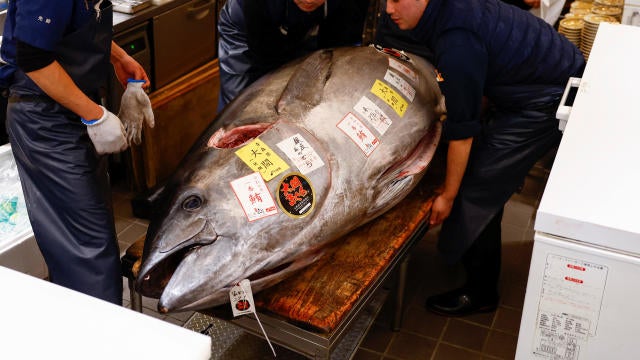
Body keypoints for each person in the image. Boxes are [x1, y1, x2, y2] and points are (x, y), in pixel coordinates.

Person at [376, 0, 585, 316]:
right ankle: (466, 248)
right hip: (544, 75)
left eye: (396, 0)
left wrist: (447, 195)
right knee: (476, 168)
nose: (388, 9)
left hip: (544, 100)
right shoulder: (447, 15)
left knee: (476, 188)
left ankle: (481, 291)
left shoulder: (456, 40)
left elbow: (463, 133)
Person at [0, 0, 151, 305]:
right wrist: (94, 115)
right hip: (43, 119)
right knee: (88, 252)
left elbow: (79, 22)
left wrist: (119, 57)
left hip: (70, 108)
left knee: (91, 238)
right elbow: (34, 58)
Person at [217, 0, 370, 109]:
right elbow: (266, 59)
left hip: (304, 29)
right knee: (241, 105)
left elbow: (337, 48)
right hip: (244, 31)